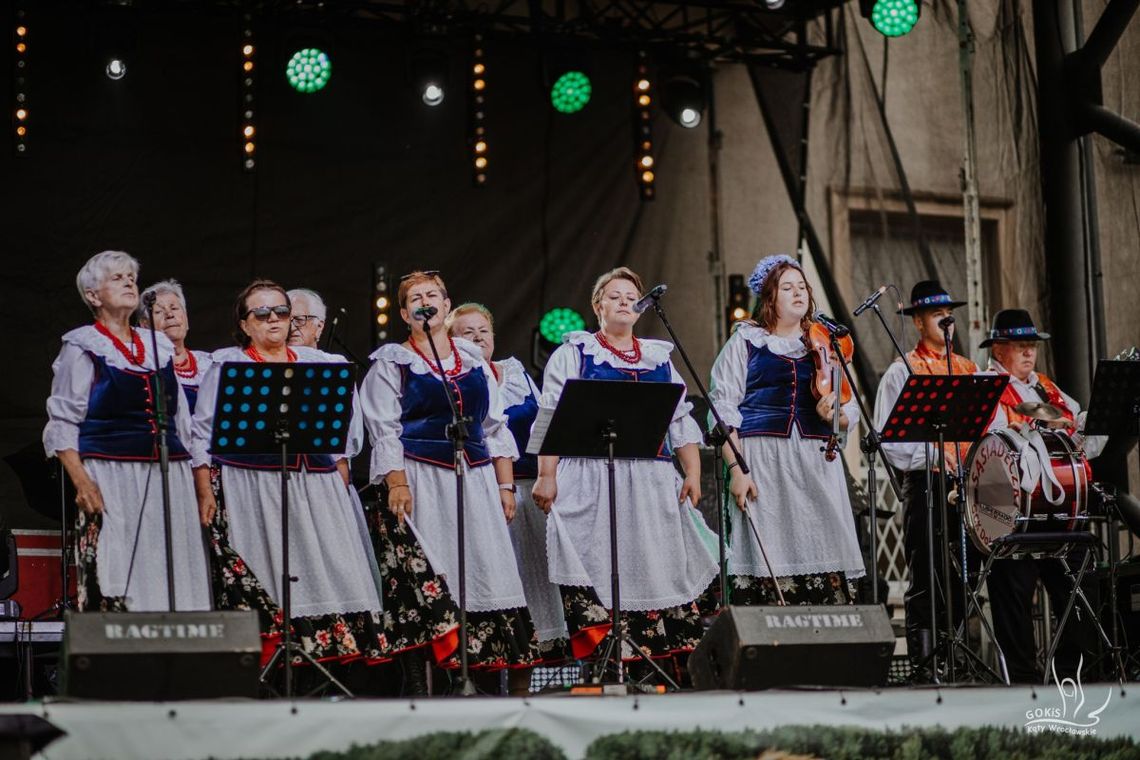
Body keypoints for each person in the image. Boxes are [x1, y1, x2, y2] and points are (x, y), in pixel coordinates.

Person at [360, 271, 539, 695]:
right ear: (404, 313)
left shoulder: (472, 359)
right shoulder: (392, 362)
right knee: (434, 575)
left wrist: (505, 486)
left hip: (474, 479)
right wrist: (398, 484)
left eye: (433, 295)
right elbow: (384, 430)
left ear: (445, 304)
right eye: (416, 298)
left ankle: (492, 686)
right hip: (421, 477)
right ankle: (423, 689)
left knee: (485, 570)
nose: (426, 302)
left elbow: (495, 427)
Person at [191, 280, 386, 665]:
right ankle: (272, 663)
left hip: (313, 481)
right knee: (267, 571)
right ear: (245, 324)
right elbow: (201, 432)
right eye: (262, 313)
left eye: (281, 312)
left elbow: (338, 434)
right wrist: (204, 490)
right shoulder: (229, 364)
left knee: (323, 566)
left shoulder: (319, 366)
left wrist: (338, 472)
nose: (274, 319)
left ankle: (319, 661)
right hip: (252, 482)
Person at [531, 266, 716, 667]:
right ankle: (605, 662)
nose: (624, 302)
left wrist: (693, 473)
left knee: (653, 562)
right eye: (614, 296)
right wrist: (546, 475)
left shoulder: (658, 358)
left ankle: (653, 664)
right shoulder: (574, 352)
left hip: (649, 479)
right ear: (598, 306)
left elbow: (680, 420)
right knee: (596, 564)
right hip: (590, 477)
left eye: (631, 296)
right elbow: (550, 414)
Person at [44, 250, 210, 611]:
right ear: (93, 296)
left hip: (171, 475)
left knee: (175, 569)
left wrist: (202, 485)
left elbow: (185, 422)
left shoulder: (160, 347)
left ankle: (181, 653)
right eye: (117, 278)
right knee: (122, 569)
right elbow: (62, 421)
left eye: (131, 277)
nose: (129, 282)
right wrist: (82, 482)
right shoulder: (82, 345)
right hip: (111, 473)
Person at [708, 254, 865, 606]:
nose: (798, 293)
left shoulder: (825, 346)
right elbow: (723, 411)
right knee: (771, 547)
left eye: (802, 287)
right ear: (769, 297)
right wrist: (737, 469)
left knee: (821, 541)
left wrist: (834, 414)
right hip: (763, 459)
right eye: (787, 287)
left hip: (813, 458)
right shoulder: (746, 342)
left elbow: (848, 408)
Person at [447, 302, 567, 694]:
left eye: (484, 330)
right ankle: (478, 689)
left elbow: (544, 424)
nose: (479, 337)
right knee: (491, 588)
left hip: (529, 490)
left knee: (533, 589)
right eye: (468, 332)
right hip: (482, 492)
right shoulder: (454, 380)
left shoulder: (516, 373)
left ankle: (521, 693)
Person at [980, 308, 1103, 683]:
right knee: (1014, 599)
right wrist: (1029, 426)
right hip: (1010, 509)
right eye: (1020, 345)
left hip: (1060, 509)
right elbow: (987, 441)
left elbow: (1082, 435)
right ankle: (1023, 683)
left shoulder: (1046, 387)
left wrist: (1086, 425)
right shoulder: (985, 384)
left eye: (1032, 345)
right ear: (999, 350)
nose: (1029, 352)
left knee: (1078, 591)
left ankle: (1072, 674)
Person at [872, 280, 981, 674]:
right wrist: (936, 453)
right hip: (926, 484)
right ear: (918, 322)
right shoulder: (902, 371)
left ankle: (959, 658)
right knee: (928, 575)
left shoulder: (969, 369)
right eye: (937, 315)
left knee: (962, 576)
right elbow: (890, 439)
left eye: (948, 315)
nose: (946, 321)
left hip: (968, 486)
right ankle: (926, 664)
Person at [137, 279, 212, 415]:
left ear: (186, 319)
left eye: (175, 308)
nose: (169, 315)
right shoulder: (145, 368)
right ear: (145, 325)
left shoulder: (207, 364)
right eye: (159, 311)